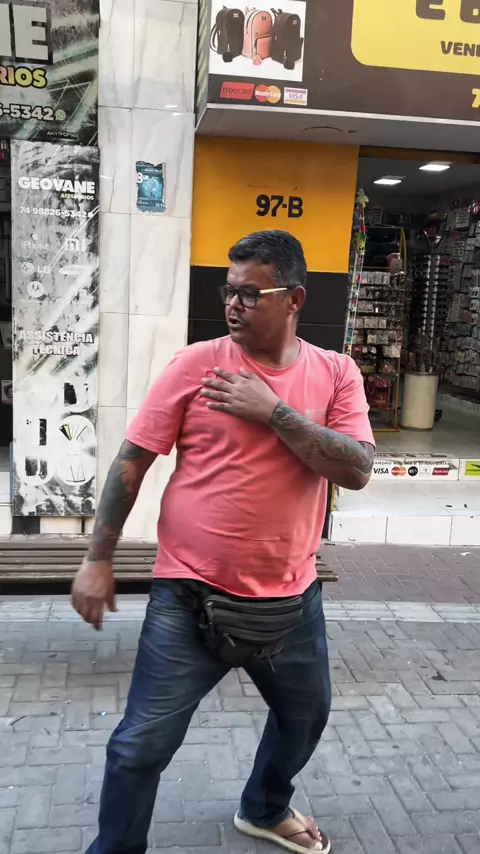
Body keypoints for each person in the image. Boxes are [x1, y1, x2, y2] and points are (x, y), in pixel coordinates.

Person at [71, 230, 375, 854]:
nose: (233, 304)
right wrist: (98, 558)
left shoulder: (336, 373)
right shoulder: (196, 364)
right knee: (140, 745)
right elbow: (132, 460)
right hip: (189, 595)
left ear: (294, 300)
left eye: (250, 293)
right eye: (228, 291)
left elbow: (357, 469)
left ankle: (264, 808)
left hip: (291, 600)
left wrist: (275, 412)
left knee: (304, 718)